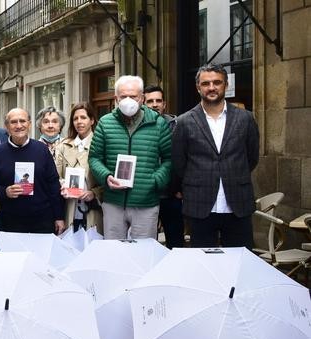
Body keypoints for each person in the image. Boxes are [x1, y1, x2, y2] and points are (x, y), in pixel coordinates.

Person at [172, 64, 259, 249]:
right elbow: (179, 163)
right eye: (206, 83)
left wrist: (232, 173)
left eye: (217, 82)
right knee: (203, 266)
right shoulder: (183, 122)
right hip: (200, 205)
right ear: (198, 87)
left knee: (239, 264)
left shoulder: (246, 119)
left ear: (226, 85)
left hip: (237, 203)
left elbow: (251, 157)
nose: (211, 87)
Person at [88, 75, 172, 240]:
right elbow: (94, 158)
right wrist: (106, 176)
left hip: (146, 202)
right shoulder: (105, 123)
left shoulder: (158, 124)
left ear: (141, 98)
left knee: (142, 254)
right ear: (116, 98)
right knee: (114, 254)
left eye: (133, 96)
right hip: (113, 202)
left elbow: (169, 159)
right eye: (123, 96)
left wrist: (154, 181)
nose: (128, 100)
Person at [0, 108, 65, 234]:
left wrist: (59, 216)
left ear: (29, 124)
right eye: (13, 122)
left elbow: (53, 184)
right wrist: (4, 192)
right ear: (7, 126)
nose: (19, 125)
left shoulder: (42, 150)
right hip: (9, 221)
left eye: (22, 121)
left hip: (42, 220)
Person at [145, 85, 183, 248]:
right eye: (150, 101)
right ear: (142, 103)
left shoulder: (177, 125)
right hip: (145, 195)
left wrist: (181, 188)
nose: (155, 104)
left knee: (175, 244)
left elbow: (184, 158)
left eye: (158, 100)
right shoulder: (135, 127)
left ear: (164, 104)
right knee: (147, 244)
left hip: (171, 195)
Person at [55, 102, 103, 233]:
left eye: (83, 117)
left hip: (94, 209)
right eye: (75, 119)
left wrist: (94, 193)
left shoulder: (101, 145)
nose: (79, 122)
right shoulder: (63, 146)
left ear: (92, 120)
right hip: (69, 207)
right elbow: (55, 176)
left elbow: (108, 179)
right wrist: (63, 184)